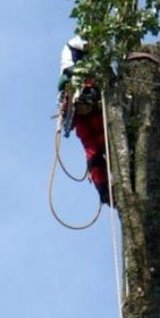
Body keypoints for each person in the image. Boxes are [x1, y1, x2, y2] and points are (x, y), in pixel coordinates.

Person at [58, 36, 111, 205]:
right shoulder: (73, 48)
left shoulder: (86, 59)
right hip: (81, 102)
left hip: (81, 109)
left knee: (97, 148)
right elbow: (70, 72)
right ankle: (103, 189)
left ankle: (104, 189)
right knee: (97, 147)